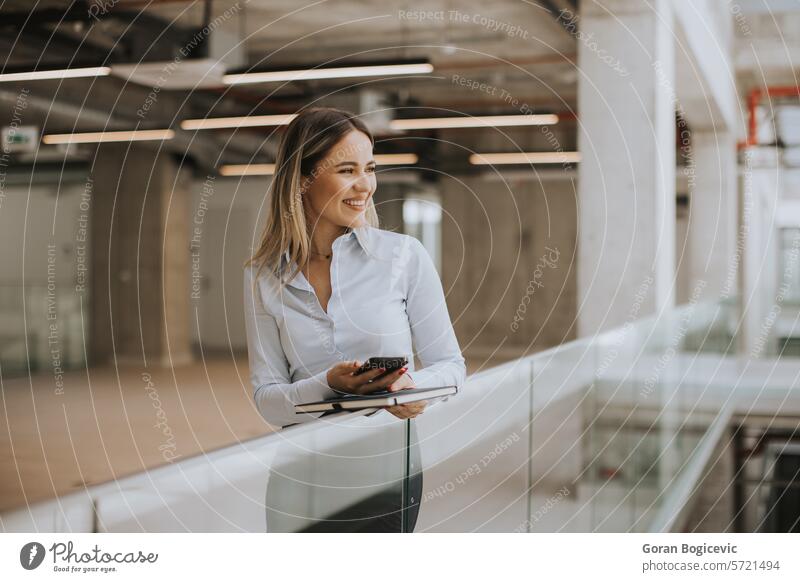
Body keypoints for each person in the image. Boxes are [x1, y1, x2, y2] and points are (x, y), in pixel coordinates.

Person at [244, 106, 466, 531]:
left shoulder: (403, 257)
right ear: (302, 180)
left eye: (370, 168)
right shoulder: (262, 276)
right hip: (300, 470)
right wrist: (329, 385)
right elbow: (267, 399)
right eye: (347, 170)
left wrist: (410, 390)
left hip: (385, 466)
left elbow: (453, 368)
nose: (365, 185)